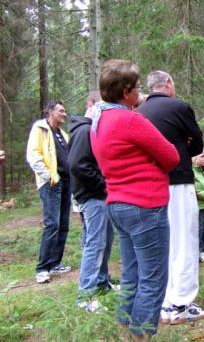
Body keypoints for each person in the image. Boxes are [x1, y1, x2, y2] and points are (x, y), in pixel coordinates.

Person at [90, 60, 179, 340]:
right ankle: (140, 337)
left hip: (117, 203)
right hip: (144, 206)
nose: (140, 92)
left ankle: (125, 332)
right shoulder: (130, 120)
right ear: (126, 90)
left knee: (131, 276)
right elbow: (172, 157)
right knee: (152, 279)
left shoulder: (98, 119)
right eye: (137, 87)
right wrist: (153, 160)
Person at [137, 70, 204, 325]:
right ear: (168, 83)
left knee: (162, 244)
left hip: (149, 185)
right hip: (177, 181)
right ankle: (182, 303)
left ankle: (165, 301)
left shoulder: (140, 112)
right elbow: (198, 145)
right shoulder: (179, 107)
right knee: (185, 242)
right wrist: (182, 145)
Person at [68, 91, 114, 312]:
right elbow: (78, 166)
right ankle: (85, 296)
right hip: (92, 196)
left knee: (104, 240)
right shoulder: (84, 130)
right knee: (94, 244)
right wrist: (103, 184)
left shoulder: (91, 130)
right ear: (92, 106)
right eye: (103, 108)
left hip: (98, 195)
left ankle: (102, 282)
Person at [27, 100, 72, 284]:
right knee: (52, 224)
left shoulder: (62, 134)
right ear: (50, 112)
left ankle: (55, 263)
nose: (64, 114)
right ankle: (42, 268)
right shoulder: (40, 129)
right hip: (51, 183)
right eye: (61, 111)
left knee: (63, 224)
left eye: (64, 111)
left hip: (66, 182)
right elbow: (33, 155)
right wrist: (49, 176)